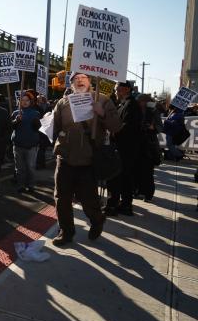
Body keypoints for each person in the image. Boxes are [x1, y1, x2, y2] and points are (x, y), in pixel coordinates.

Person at [51, 72, 120, 246]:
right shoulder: (63, 102)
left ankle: (97, 220)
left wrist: (102, 113)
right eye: (76, 78)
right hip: (65, 158)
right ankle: (66, 231)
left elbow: (116, 126)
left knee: (88, 199)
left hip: (88, 160)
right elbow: (55, 127)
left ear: (90, 81)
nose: (80, 80)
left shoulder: (102, 99)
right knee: (61, 198)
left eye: (84, 77)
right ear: (72, 83)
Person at [105, 81, 143, 216]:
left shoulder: (131, 105)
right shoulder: (124, 104)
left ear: (126, 89)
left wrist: (113, 132)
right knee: (124, 178)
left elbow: (128, 126)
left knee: (118, 177)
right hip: (123, 148)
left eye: (117, 89)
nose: (115, 92)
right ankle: (124, 204)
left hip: (125, 149)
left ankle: (116, 205)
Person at [11, 92, 41, 193]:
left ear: (30, 102)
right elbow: (10, 126)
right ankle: (21, 185)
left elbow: (39, 128)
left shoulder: (35, 113)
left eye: (26, 100)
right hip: (18, 144)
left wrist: (37, 124)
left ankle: (31, 185)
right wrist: (16, 121)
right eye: (22, 100)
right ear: (19, 101)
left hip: (32, 145)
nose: (24, 102)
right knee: (19, 168)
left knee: (30, 167)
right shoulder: (15, 113)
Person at [135, 93, 163, 202]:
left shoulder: (153, 111)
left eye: (141, 101)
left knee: (147, 171)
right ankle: (139, 191)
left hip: (149, 145)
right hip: (138, 144)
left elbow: (160, 127)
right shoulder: (136, 110)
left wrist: (153, 127)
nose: (139, 103)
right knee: (138, 170)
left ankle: (148, 194)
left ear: (146, 101)